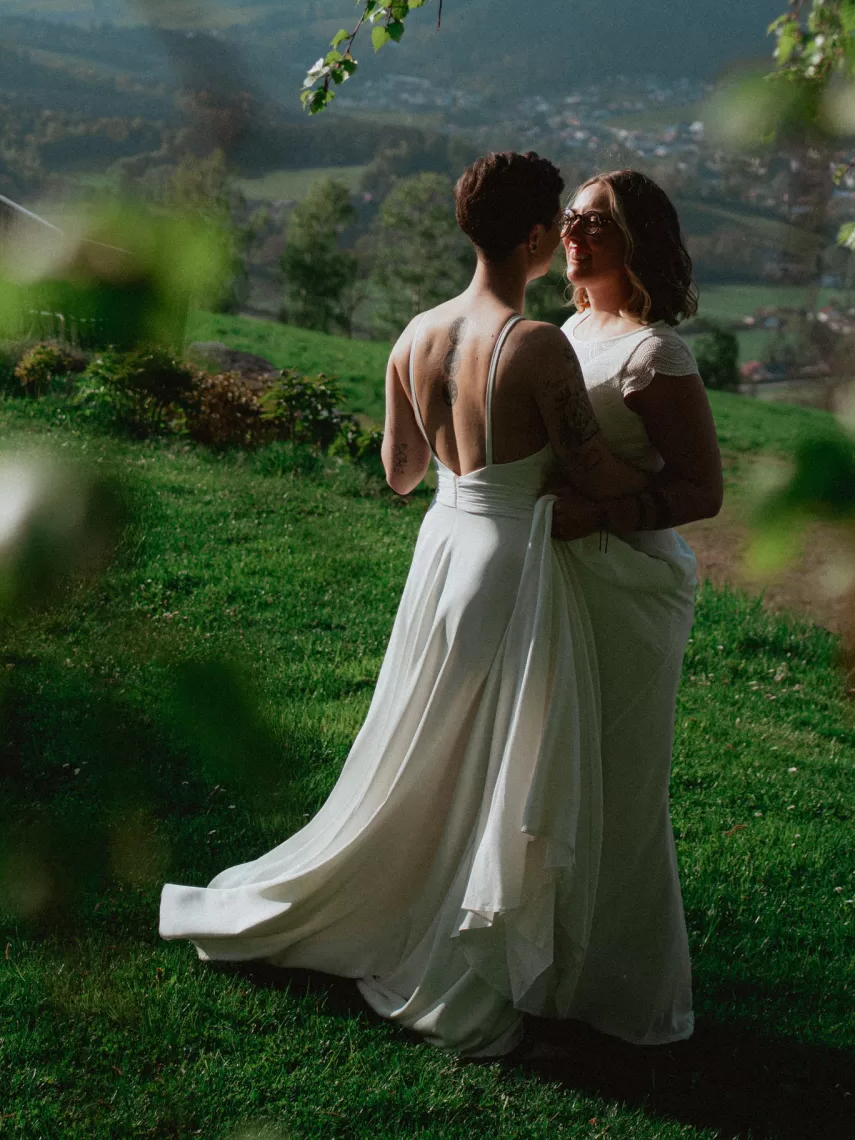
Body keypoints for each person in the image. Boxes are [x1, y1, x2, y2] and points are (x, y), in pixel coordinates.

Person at [158, 151, 648, 1057]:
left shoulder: (415, 333)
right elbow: (598, 474)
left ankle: (384, 900)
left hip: (443, 543)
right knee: (486, 752)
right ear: (537, 237)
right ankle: (448, 943)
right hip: (505, 558)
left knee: (428, 743)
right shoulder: (535, 346)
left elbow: (399, 474)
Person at [548, 168, 725, 1047]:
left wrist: (599, 516)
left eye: (599, 222)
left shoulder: (656, 355)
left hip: (629, 589)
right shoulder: (569, 329)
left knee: (617, 782)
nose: (576, 232)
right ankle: (544, 958)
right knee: (551, 770)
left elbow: (703, 490)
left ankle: (618, 981)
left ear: (638, 241)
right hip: (555, 583)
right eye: (572, 217)